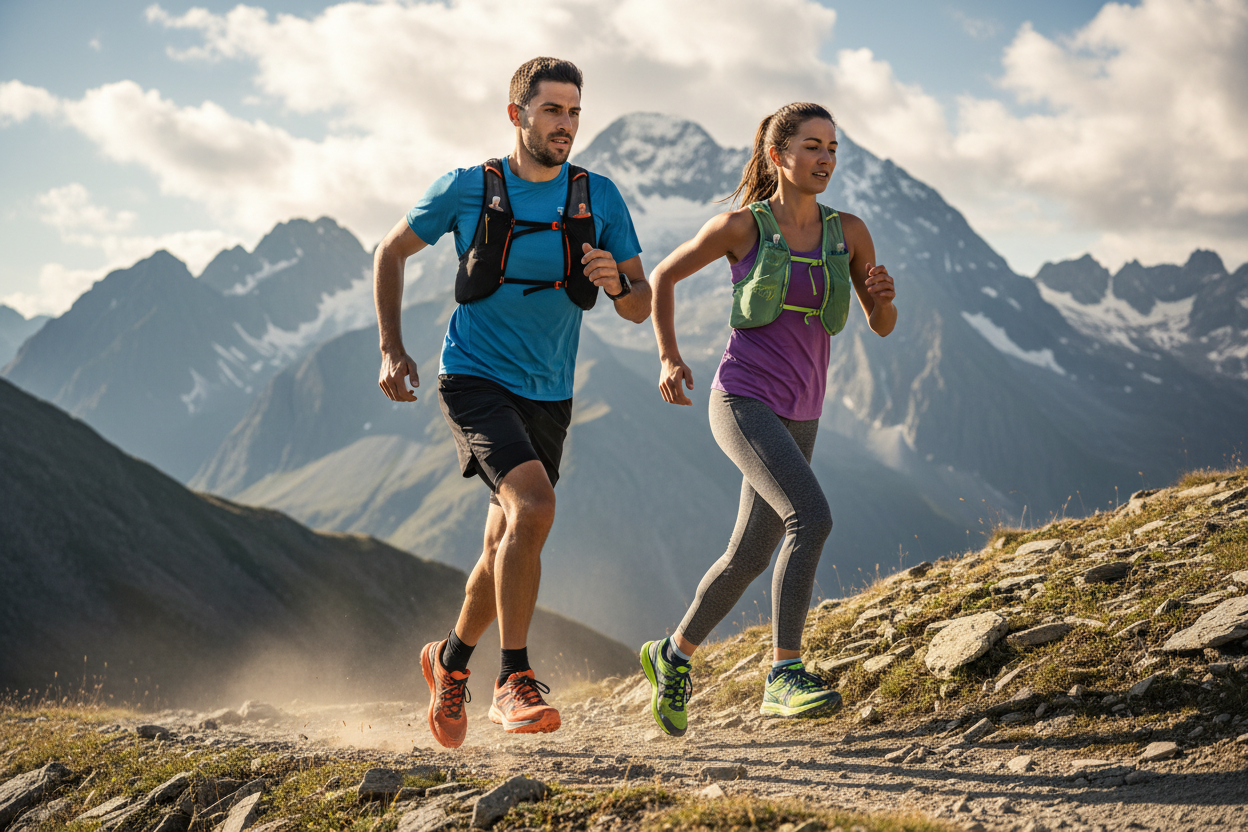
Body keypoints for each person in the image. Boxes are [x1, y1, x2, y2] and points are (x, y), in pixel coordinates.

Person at [373, 57, 651, 749]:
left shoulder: (600, 197)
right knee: (535, 507)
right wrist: (391, 347)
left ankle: (448, 660)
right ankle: (513, 681)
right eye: (553, 109)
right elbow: (390, 251)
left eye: (575, 112)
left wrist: (616, 281)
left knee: (503, 541)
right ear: (516, 115)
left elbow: (641, 307)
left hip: (551, 393)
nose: (566, 124)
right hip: (472, 378)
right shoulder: (469, 188)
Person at [640, 102, 896, 736]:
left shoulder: (850, 232)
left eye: (833, 149)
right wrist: (670, 358)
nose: (826, 160)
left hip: (802, 411)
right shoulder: (741, 227)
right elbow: (664, 276)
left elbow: (881, 325)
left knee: (749, 553)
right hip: (742, 400)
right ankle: (784, 675)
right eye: (812, 147)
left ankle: (670, 656)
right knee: (811, 517)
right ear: (779, 155)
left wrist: (885, 300)